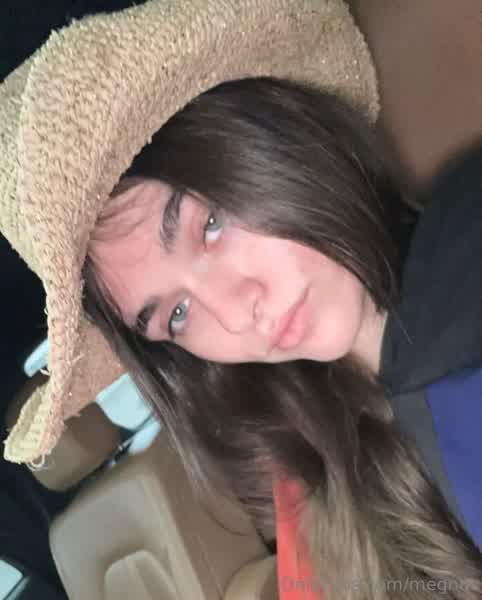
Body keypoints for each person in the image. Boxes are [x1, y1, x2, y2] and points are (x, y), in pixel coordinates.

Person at [0, 1, 480, 599]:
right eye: (176, 315)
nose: (234, 314)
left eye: (210, 226)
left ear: (273, 139)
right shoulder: (311, 468)